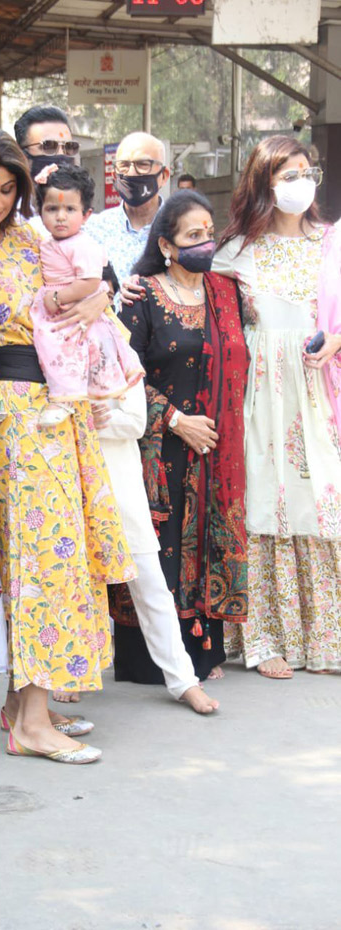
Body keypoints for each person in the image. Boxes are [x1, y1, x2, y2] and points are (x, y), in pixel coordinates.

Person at [0, 126, 135, 764]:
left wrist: (96, 299)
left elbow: (85, 285)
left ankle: (24, 705)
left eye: (7, 189)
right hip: (0, 418)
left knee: (49, 559)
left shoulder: (27, 238)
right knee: (39, 565)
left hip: (52, 411)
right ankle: (32, 723)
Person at [214, 135, 341, 678]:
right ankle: (262, 638)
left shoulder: (331, 242)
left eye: (305, 171)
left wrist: (335, 340)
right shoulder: (235, 250)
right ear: (262, 182)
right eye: (286, 174)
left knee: (321, 500)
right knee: (264, 501)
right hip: (258, 396)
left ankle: (325, 637)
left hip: (316, 392)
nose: (300, 182)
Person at [118, 190, 249, 683]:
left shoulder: (227, 292)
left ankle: (202, 655)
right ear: (168, 246)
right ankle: (150, 659)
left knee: (203, 544)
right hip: (160, 447)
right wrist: (176, 420)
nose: (206, 243)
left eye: (209, 233)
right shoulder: (143, 295)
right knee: (161, 547)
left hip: (215, 447)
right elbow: (122, 376)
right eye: (193, 236)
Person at [91, 379, 219, 714]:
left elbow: (135, 422)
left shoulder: (119, 348)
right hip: (67, 478)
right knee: (74, 584)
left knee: (151, 585)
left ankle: (183, 681)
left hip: (119, 482)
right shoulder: (49, 341)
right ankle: (71, 678)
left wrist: (94, 419)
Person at [32, 164, 143, 425]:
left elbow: (92, 281)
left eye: (69, 209)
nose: (60, 216)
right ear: (40, 213)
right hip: (59, 305)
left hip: (76, 307)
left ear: (86, 215)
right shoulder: (48, 241)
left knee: (64, 350)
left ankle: (66, 399)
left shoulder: (82, 244)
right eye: (52, 209)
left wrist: (58, 299)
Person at [86, 131, 170, 305]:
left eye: (143, 164)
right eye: (123, 165)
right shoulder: (93, 230)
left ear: (164, 176)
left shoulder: (178, 229)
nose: (131, 173)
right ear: (114, 176)